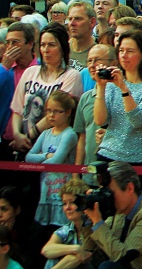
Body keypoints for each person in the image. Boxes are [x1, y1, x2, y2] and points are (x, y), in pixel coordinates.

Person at [93, 30, 142, 168]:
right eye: (121, 51)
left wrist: (124, 89)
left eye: (130, 51)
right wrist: (101, 87)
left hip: (138, 161)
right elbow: (100, 120)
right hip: (107, 154)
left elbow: (137, 120)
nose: (124, 56)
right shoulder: (112, 84)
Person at [10, 23, 82, 155]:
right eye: (43, 45)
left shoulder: (72, 76)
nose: (46, 49)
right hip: (23, 144)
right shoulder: (30, 72)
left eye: (52, 45)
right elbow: (17, 109)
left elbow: (56, 114)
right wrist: (17, 134)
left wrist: (27, 137)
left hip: (51, 147)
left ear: (63, 48)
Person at [25, 90, 78, 227]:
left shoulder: (69, 134)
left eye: (56, 111)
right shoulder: (45, 133)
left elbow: (56, 162)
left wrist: (43, 159)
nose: (51, 115)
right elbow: (28, 157)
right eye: (48, 111)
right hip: (46, 191)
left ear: (67, 112)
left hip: (61, 193)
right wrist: (46, 155)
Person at [41, 177, 99, 269]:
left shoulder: (95, 225)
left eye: (72, 202)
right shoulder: (66, 230)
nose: (67, 208)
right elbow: (46, 250)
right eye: (64, 203)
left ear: (83, 202)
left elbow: (81, 257)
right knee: (53, 258)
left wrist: (77, 251)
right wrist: (75, 249)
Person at [0, 185, 49, 269]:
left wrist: (7, 237)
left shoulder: (35, 232)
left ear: (17, 210)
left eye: (4, 209)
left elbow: (26, 264)